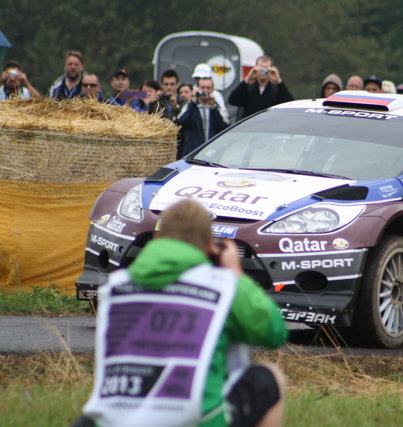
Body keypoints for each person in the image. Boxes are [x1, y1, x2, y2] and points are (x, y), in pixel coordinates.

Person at [73, 199, 287, 427]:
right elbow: (274, 333)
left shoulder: (114, 287)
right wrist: (235, 272)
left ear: (156, 239)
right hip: (194, 420)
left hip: (114, 420)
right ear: (209, 246)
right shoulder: (225, 286)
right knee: (269, 377)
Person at [175, 76, 229, 158]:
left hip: (212, 155)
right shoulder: (190, 106)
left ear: (212, 90)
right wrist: (193, 102)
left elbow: (223, 127)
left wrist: (213, 107)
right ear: (197, 88)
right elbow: (181, 123)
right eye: (202, 87)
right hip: (192, 154)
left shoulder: (217, 107)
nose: (205, 90)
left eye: (208, 88)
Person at [228, 55, 293, 119]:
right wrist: (248, 78)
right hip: (250, 124)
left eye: (266, 69)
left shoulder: (275, 89)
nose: (263, 72)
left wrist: (278, 81)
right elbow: (232, 100)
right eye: (261, 68)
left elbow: (290, 104)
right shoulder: (248, 88)